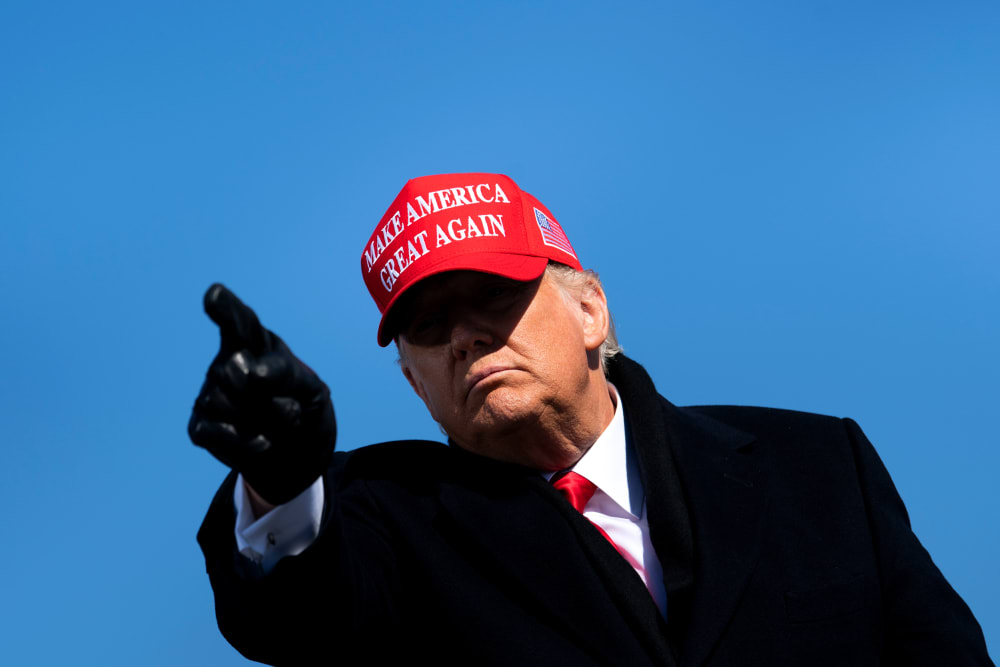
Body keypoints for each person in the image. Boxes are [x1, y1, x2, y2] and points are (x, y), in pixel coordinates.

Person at [190, 173, 992, 666]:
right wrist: (280, 481)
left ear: (589, 311)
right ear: (414, 382)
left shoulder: (817, 467)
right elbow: (296, 621)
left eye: (496, 295)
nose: (466, 334)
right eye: (430, 326)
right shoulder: (380, 519)